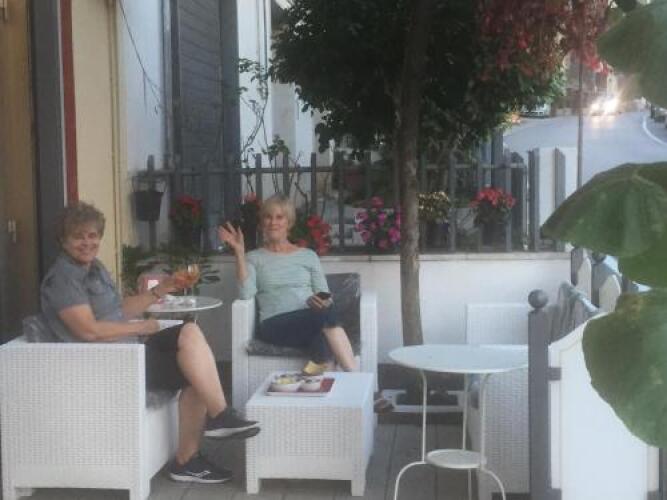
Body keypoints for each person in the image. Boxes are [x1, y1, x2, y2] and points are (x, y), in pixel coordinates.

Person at [40, 201, 258, 484]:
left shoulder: (94, 268)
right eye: (78, 236)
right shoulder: (63, 278)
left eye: (92, 235)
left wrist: (161, 290)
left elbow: (118, 310)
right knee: (193, 369)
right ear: (63, 240)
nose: (87, 242)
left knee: (189, 333)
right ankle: (190, 456)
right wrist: (142, 326)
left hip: (128, 351)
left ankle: (218, 417)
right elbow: (88, 331)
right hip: (105, 365)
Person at [218, 194, 357, 374]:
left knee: (322, 339)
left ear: (289, 223)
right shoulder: (253, 258)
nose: (273, 222)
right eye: (268, 217)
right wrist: (239, 253)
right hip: (274, 324)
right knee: (326, 318)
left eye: (279, 217)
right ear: (262, 223)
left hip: (310, 320)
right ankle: (355, 376)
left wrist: (317, 301)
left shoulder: (308, 256)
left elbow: (325, 295)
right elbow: (246, 293)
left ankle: (312, 380)